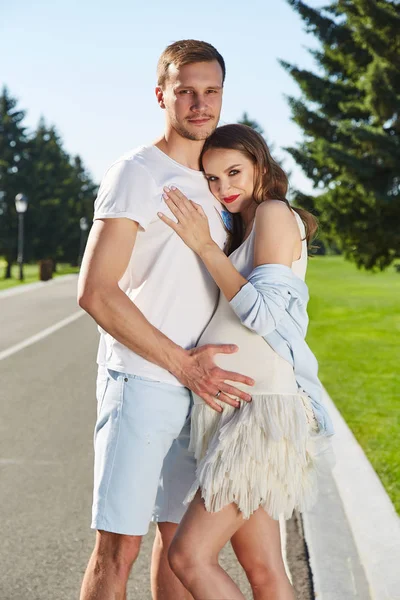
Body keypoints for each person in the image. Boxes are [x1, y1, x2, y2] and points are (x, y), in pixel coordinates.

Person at [77, 42, 255, 600]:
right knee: (118, 548)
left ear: (223, 96)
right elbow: (96, 292)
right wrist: (184, 366)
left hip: (201, 393)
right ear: (162, 95)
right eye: (185, 92)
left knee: (178, 546)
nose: (199, 104)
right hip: (142, 382)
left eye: (211, 92)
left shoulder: (216, 181)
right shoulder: (136, 172)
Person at [158, 123, 334, 600]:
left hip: (260, 415)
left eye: (234, 172)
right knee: (264, 571)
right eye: (212, 179)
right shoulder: (248, 227)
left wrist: (204, 247)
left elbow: (263, 313)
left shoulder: (275, 213)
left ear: (260, 166)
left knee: (188, 557)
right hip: (237, 410)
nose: (224, 188)